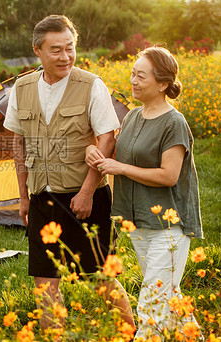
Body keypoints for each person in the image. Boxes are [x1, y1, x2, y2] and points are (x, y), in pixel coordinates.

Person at [3, 14, 135, 330]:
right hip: (41, 200)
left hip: (86, 197)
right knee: (44, 283)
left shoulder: (91, 85)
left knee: (101, 278)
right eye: (56, 50)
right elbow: (17, 143)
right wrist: (23, 196)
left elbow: (107, 139)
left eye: (70, 48)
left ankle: (130, 334)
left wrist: (88, 191)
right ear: (37, 50)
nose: (65, 57)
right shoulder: (21, 88)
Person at [86, 46, 203, 338]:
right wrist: (93, 149)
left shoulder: (173, 122)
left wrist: (120, 168)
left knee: (152, 300)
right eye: (132, 74)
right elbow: (114, 151)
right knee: (168, 295)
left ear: (163, 83)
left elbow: (168, 175)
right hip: (139, 220)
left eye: (141, 76)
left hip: (169, 224)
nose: (133, 81)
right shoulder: (133, 117)